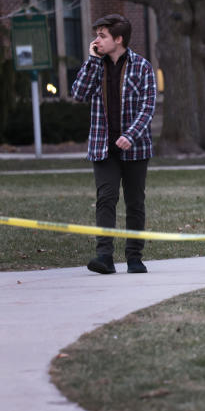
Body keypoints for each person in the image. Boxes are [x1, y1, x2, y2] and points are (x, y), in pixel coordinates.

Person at [71, 14, 157, 274]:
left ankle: (134, 257)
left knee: (135, 203)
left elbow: (148, 106)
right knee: (105, 199)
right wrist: (93, 61)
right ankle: (104, 257)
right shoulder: (96, 64)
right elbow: (78, 93)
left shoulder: (142, 67)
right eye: (97, 34)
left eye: (102, 35)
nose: (96, 39)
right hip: (103, 146)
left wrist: (131, 135)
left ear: (118, 39)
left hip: (135, 147)